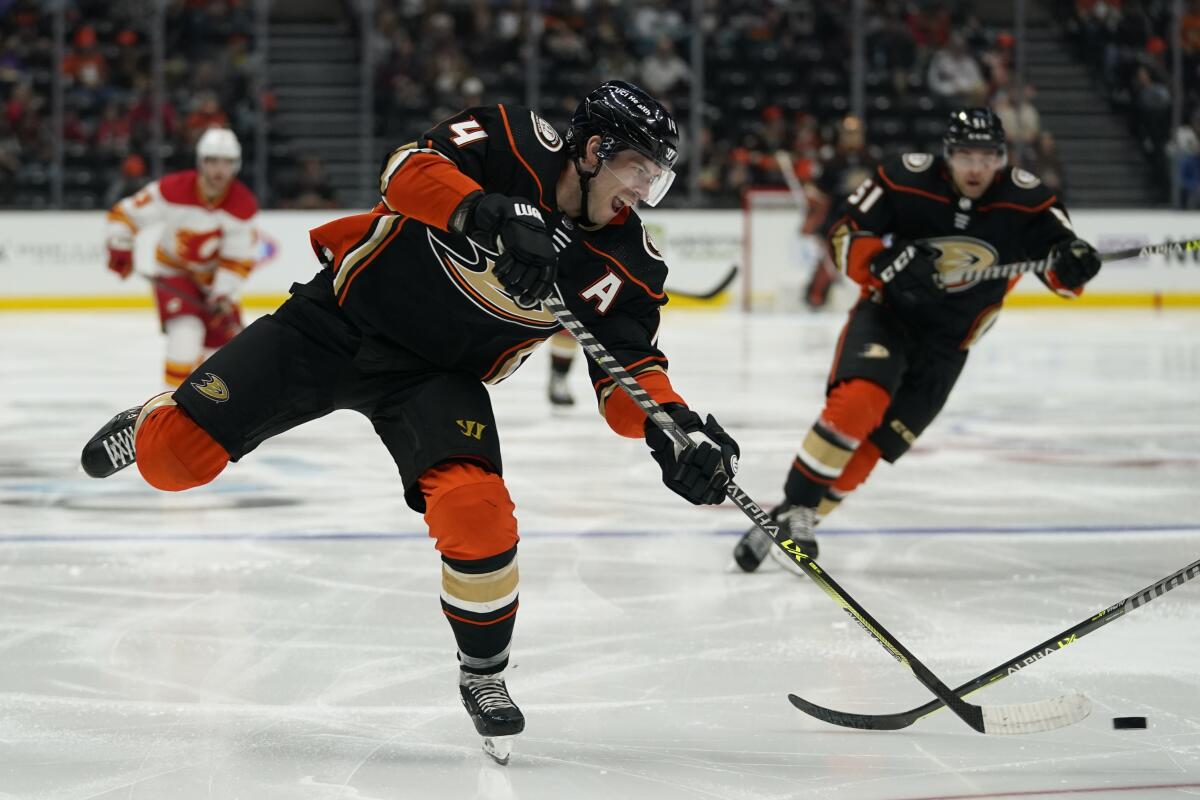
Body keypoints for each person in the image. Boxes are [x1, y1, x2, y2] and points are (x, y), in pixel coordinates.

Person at [80, 81, 740, 764]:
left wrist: (673, 428)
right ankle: (154, 419)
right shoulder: (513, 139)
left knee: (478, 513)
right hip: (335, 321)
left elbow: (626, 374)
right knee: (173, 461)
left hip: (436, 377)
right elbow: (403, 173)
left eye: (657, 179)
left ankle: (483, 674)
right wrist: (483, 212)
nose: (644, 192)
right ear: (597, 150)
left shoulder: (630, 265)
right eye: (640, 171)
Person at [732, 107, 1101, 572]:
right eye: (965, 155)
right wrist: (883, 263)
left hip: (948, 347)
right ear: (947, 154)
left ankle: (790, 526)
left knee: (874, 448)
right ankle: (799, 510)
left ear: (1001, 159)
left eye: (985, 157)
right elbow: (846, 233)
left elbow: (1064, 274)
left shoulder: (1028, 201)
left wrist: (1074, 265)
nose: (975, 168)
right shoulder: (907, 179)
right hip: (888, 317)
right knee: (858, 404)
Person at [105, 127, 259, 388]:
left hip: (212, 281)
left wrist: (223, 294)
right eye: (212, 161)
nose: (219, 170)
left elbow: (237, 259)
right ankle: (168, 413)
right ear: (201, 161)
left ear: (236, 165)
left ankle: (207, 412)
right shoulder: (172, 190)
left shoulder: (243, 205)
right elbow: (125, 215)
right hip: (173, 273)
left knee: (224, 355)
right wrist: (120, 245)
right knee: (185, 335)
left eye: (226, 162)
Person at [800, 115, 879, 308]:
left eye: (855, 133)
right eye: (848, 133)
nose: (852, 137)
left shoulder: (872, 159)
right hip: (836, 220)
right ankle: (815, 297)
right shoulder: (831, 160)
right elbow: (819, 190)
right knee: (829, 261)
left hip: (867, 221)